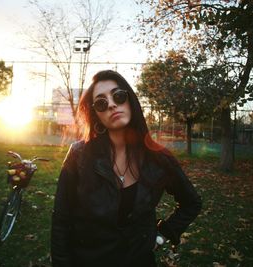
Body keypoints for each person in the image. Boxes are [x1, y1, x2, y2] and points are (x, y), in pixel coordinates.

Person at [51, 70, 202, 267]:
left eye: (118, 96)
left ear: (130, 100)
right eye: (101, 103)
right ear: (96, 115)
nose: (112, 104)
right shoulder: (79, 155)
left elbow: (191, 202)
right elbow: (61, 220)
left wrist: (163, 235)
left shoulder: (159, 158)